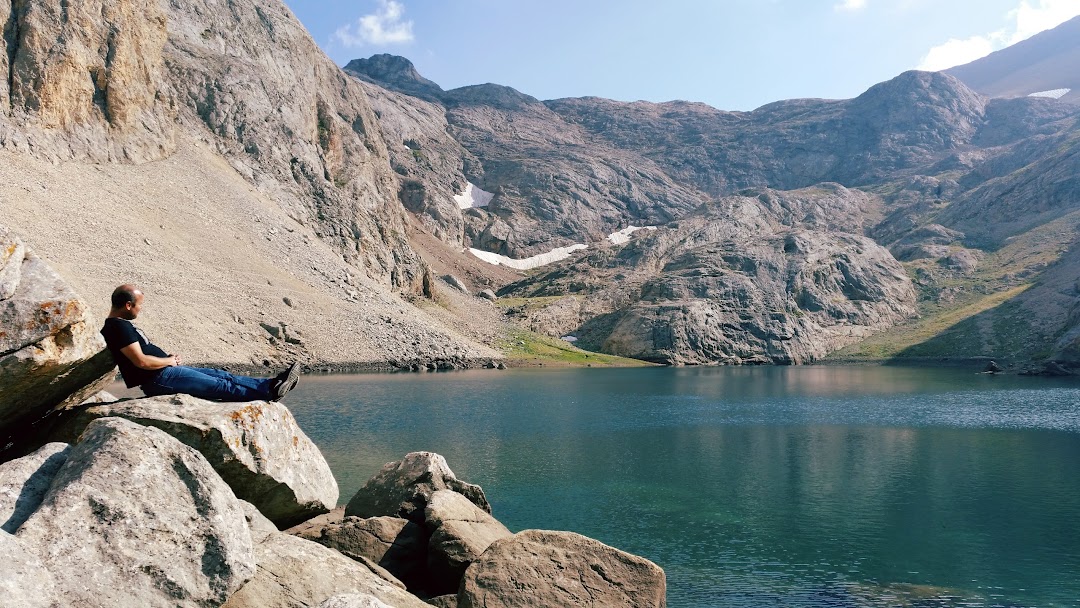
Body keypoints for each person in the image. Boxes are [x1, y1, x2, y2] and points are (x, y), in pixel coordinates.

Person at [100, 284, 299, 401]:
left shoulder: (119, 326)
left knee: (221, 375)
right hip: (159, 378)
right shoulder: (117, 327)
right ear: (128, 305)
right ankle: (270, 391)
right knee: (220, 386)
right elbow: (141, 361)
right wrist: (168, 362)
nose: (140, 309)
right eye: (139, 305)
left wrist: (168, 359)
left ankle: (272, 384)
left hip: (164, 373)